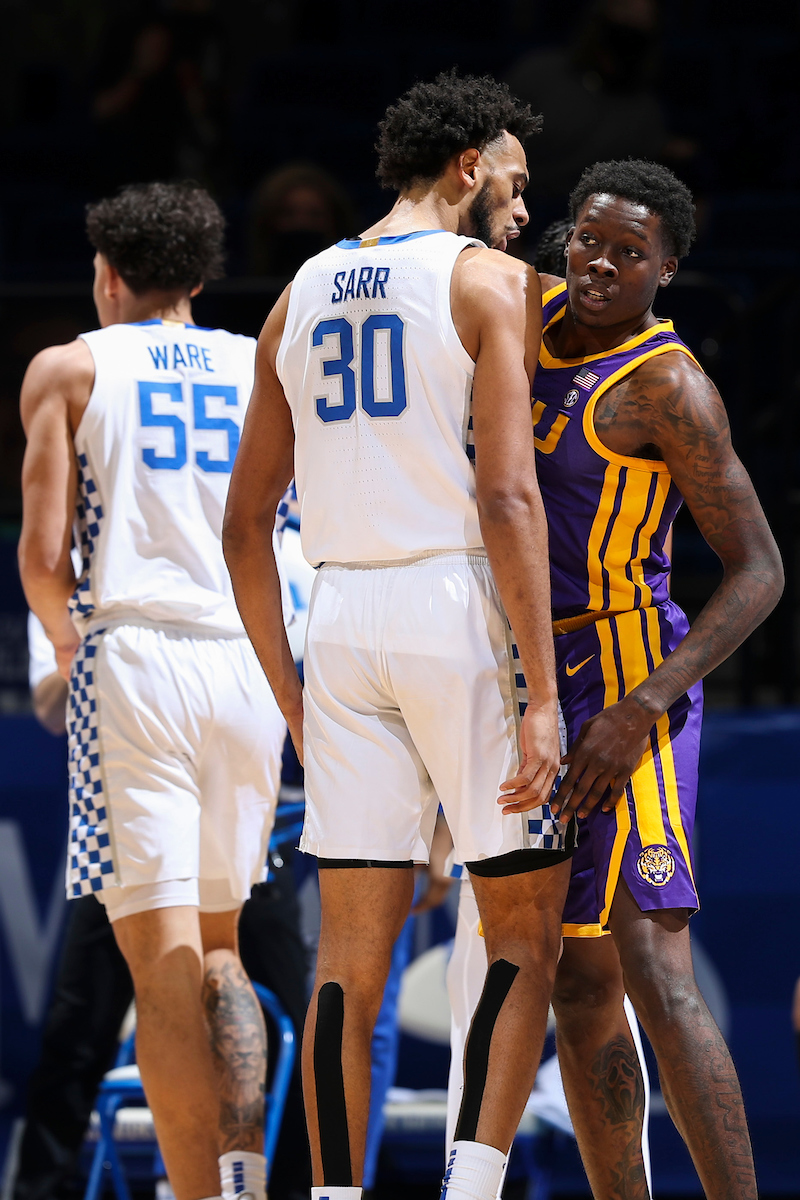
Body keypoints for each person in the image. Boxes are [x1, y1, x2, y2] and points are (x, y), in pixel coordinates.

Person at [223, 70, 575, 1200]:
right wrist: (541, 692)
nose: (524, 210)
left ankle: (334, 1197)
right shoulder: (489, 282)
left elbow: (242, 525)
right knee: (522, 924)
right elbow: (509, 500)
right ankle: (466, 1193)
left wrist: (289, 689)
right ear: (467, 167)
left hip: (339, 617)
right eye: (515, 183)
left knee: (346, 959)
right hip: (456, 605)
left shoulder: (297, 291)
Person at [18, 181, 291, 1200]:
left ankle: (195, 1193)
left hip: (137, 658)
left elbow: (44, 560)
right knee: (222, 949)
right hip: (249, 659)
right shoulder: (257, 365)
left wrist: (67, 650)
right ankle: (240, 1182)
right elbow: (280, 528)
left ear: (108, 276)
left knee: (161, 962)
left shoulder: (70, 368)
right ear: (200, 278)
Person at [537, 160, 780, 1199]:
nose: (598, 262)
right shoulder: (524, 317)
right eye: (587, 239)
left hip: (629, 665)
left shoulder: (665, 386)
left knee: (651, 966)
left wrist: (642, 705)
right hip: (532, 670)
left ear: (664, 269)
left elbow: (760, 570)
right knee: (572, 979)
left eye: (627, 252)